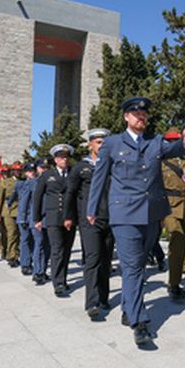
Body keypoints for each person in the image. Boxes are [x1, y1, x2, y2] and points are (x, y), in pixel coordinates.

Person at [87, 97, 185, 346]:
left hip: (152, 214)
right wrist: (92, 208)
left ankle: (128, 308)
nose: (141, 117)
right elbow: (99, 178)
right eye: (136, 114)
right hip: (124, 214)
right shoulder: (112, 143)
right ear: (126, 117)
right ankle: (139, 322)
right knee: (133, 266)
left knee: (137, 267)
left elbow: (173, 150)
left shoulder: (155, 141)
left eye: (144, 114)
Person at [64, 128, 115, 320]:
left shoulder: (112, 165)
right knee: (93, 259)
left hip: (110, 218)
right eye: (98, 142)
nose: (101, 145)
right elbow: (70, 193)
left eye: (104, 142)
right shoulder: (81, 167)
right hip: (89, 220)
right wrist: (69, 217)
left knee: (106, 260)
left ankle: (103, 297)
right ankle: (92, 302)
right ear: (91, 144)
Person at [160, 127, 185, 300]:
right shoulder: (161, 163)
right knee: (177, 241)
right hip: (169, 206)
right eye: (170, 141)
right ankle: (174, 284)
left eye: (176, 140)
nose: (173, 143)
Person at [34, 145, 77, 297]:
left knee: (66, 250)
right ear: (55, 159)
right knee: (57, 250)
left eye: (66, 157)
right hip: (53, 218)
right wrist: (37, 218)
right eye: (60, 157)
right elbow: (37, 197)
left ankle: (63, 279)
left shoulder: (73, 173)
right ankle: (57, 282)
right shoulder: (47, 175)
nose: (64, 160)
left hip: (70, 218)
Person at [8, 162, 37, 275]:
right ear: (26, 173)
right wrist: (10, 205)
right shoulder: (23, 184)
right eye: (30, 171)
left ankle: (31, 260)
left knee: (33, 240)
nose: (32, 173)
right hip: (24, 217)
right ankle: (25, 265)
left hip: (33, 216)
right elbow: (18, 198)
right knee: (25, 240)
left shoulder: (37, 182)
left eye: (33, 171)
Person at [31, 157, 52, 284]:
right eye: (42, 168)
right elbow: (29, 202)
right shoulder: (34, 182)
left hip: (49, 218)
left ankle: (43, 270)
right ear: (37, 169)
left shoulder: (51, 181)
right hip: (36, 219)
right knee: (39, 244)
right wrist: (34, 219)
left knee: (47, 246)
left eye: (47, 168)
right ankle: (37, 272)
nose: (44, 170)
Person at [2, 162, 22, 267]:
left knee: (19, 235)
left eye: (20, 170)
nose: (18, 172)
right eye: (16, 170)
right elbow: (1, 197)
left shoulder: (22, 182)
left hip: (20, 210)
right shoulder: (6, 182)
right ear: (13, 171)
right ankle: (11, 256)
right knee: (12, 234)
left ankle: (17, 254)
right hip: (9, 211)